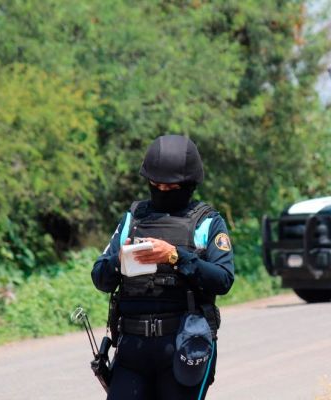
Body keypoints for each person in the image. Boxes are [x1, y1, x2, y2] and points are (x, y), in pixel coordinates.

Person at [92, 135, 235, 400]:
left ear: (188, 185)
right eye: (155, 185)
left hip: (183, 345)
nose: (162, 192)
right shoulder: (132, 219)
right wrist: (120, 259)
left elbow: (223, 280)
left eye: (170, 188)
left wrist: (175, 257)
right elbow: (100, 277)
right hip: (131, 351)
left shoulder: (207, 223)